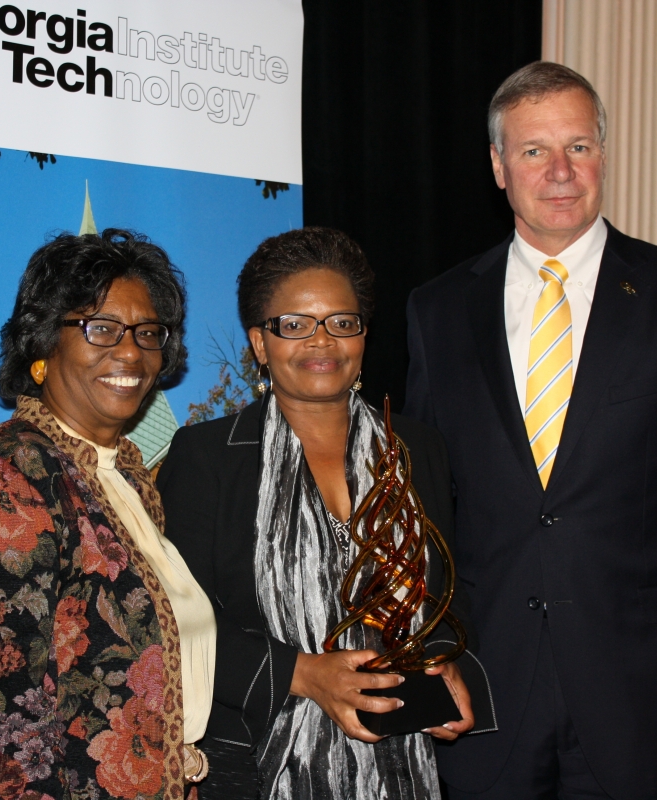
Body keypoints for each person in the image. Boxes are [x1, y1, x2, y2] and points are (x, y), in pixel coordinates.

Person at [404, 62, 657, 800]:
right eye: (535, 150)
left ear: (603, 154)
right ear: (498, 166)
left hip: (647, 698)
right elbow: (424, 506)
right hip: (482, 696)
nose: (561, 172)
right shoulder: (438, 309)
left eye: (579, 146)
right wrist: (428, 653)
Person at [158, 227, 494, 800]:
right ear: (260, 344)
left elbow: (445, 596)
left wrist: (443, 664)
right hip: (258, 768)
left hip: (402, 765)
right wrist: (306, 674)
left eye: (342, 322)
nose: (323, 342)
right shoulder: (207, 456)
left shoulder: (416, 449)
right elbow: (180, 625)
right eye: (294, 325)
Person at [0, 229, 217, 800]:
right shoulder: (1, 474)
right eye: (100, 328)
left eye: (148, 332)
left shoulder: (127, 480)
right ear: (44, 343)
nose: (131, 352)